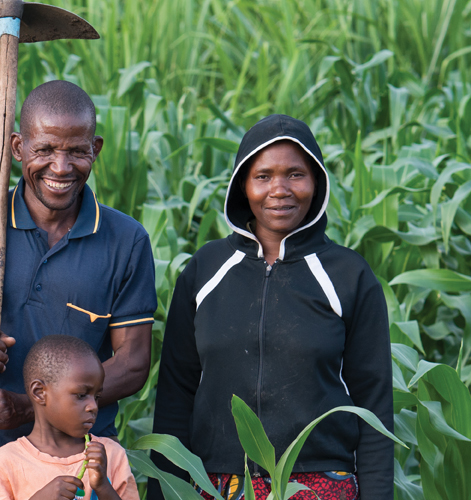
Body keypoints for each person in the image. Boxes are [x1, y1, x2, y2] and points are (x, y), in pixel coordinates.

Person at [0, 80, 156, 500]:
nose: (61, 168)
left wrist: (28, 407)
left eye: (77, 151)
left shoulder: (125, 239)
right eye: (44, 150)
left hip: (83, 470)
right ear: (17, 147)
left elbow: (133, 363)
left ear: (95, 149)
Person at [152, 114, 393, 500]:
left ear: (316, 183)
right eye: (262, 176)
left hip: (319, 484)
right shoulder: (205, 271)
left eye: (295, 174)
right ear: (242, 186)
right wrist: (163, 488)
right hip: (217, 483)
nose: (279, 189)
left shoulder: (349, 276)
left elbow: (375, 403)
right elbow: (175, 395)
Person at [0, 336, 139, 500]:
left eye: (97, 396)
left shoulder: (111, 454)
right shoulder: (7, 462)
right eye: (81, 395)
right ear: (39, 393)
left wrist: (103, 487)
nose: (93, 406)